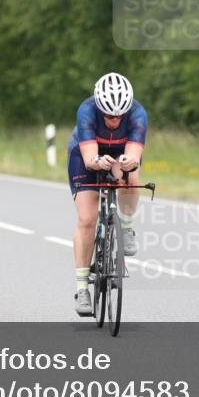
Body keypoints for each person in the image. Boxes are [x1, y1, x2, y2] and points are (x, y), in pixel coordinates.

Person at [67, 72, 147, 316]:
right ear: (100, 108)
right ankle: (82, 290)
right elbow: (90, 159)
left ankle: (126, 226)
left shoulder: (138, 114)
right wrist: (98, 161)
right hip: (86, 155)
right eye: (109, 115)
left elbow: (134, 155)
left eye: (118, 116)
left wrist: (127, 162)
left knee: (132, 176)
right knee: (87, 219)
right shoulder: (87, 111)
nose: (114, 120)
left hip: (120, 153)